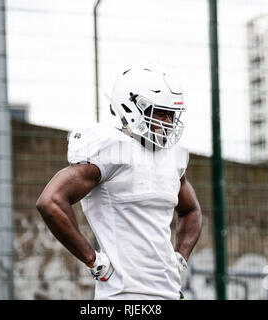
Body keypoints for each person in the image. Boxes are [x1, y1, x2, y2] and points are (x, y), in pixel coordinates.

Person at [36, 65, 202, 300]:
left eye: (171, 115)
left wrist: (180, 255)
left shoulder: (173, 158)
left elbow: (191, 210)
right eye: (161, 113)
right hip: (123, 294)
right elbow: (50, 201)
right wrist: (93, 260)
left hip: (169, 292)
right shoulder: (111, 149)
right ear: (132, 107)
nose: (169, 122)